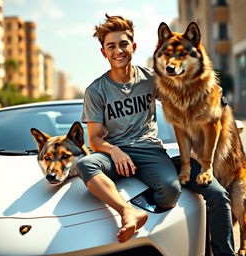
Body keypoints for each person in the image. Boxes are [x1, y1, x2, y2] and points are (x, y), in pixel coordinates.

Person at [77, 14, 235, 255]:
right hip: (116, 155)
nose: (118, 50)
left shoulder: (153, 78)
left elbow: (190, 90)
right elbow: (95, 139)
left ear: (134, 47)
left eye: (123, 44)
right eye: (111, 46)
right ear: (104, 53)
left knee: (191, 193)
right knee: (86, 163)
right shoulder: (96, 91)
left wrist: (216, 95)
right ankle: (127, 211)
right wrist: (114, 151)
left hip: (150, 152)